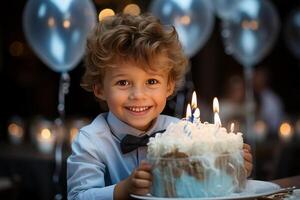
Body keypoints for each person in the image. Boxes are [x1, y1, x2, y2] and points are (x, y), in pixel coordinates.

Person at [67, 13, 253, 200]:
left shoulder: (182, 133)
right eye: (123, 83)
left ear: (169, 86)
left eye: (152, 81)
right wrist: (122, 190)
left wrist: (232, 170)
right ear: (99, 89)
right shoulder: (90, 142)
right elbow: (77, 196)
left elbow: (202, 185)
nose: (138, 95)